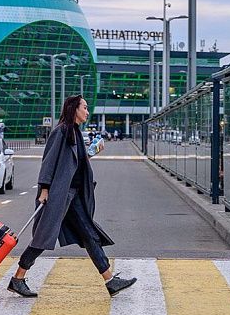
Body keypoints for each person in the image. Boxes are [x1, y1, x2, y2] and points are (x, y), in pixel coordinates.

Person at [8, 95, 137, 298]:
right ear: (74, 109)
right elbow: (48, 161)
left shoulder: (75, 132)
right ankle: (17, 278)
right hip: (59, 195)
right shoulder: (61, 131)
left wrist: (91, 152)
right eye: (84, 107)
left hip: (73, 196)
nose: (87, 111)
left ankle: (110, 280)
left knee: (89, 235)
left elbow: (74, 161)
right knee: (43, 236)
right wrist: (44, 189)